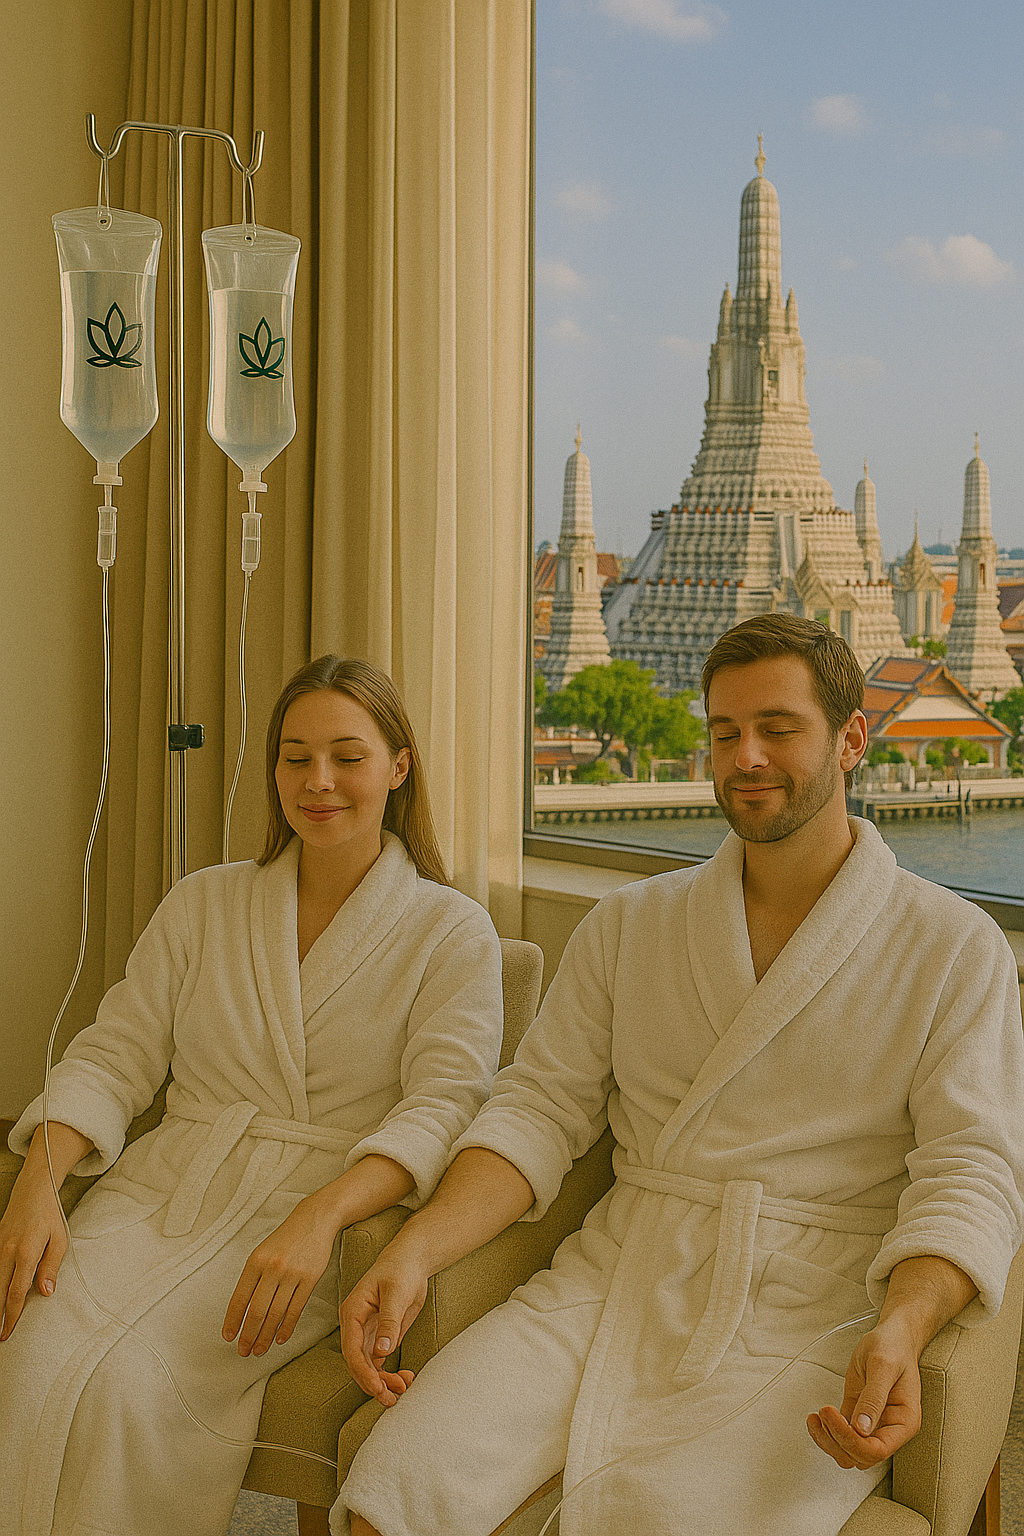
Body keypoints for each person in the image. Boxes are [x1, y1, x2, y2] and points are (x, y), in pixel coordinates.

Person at [333, 614, 1024, 1536]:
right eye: (725, 732)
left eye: (778, 730)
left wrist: (902, 1323)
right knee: (398, 1488)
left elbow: (971, 1172)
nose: (746, 758)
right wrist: (414, 1247)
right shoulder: (631, 925)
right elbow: (538, 1110)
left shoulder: (951, 948)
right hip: (614, 1273)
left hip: (806, 1302)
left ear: (853, 738)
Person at [0, 654, 503, 1536]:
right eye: (294, 755)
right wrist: (38, 1178)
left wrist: (320, 1216)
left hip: (312, 1225)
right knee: (27, 1353)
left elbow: (446, 1107)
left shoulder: (451, 933)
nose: (318, 782)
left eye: (348, 756)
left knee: (131, 1386)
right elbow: (115, 1054)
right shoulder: (203, 904)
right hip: (165, 1187)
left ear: (400, 766)